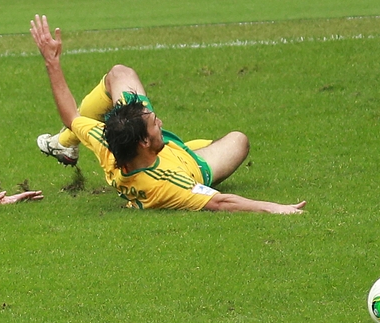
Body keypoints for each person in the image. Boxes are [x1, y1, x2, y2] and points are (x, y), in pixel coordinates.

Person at [30, 15, 305, 214]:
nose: (159, 120)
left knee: (119, 74)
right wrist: (275, 207)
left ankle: (64, 144)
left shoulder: (108, 142)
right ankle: (197, 149)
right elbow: (220, 202)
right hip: (194, 164)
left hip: (164, 148)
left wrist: (52, 61)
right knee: (238, 140)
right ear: (144, 141)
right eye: (153, 122)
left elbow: (70, 116)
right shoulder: (166, 183)